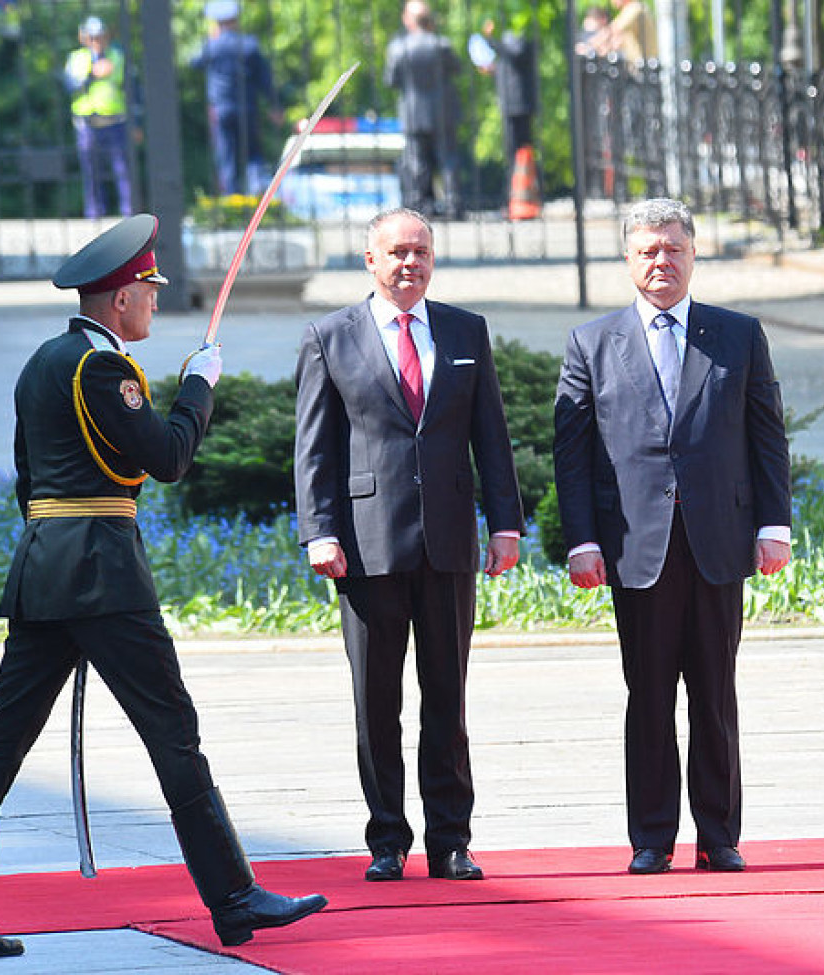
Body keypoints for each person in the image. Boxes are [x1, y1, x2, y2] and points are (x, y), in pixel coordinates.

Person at [0, 214, 326, 962]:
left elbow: (27, 480)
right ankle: (234, 897)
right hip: (105, 573)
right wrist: (199, 387)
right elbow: (168, 457)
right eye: (147, 289)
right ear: (118, 299)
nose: (153, 303)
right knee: (174, 733)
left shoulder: (41, 363)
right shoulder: (105, 370)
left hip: (44, 570)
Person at [552, 198, 792, 876]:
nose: (662, 261)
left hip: (718, 540)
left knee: (715, 692)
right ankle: (651, 837)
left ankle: (719, 835)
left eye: (673, 249)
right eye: (648, 251)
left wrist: (774, 524)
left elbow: (766, 437)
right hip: (636, 549)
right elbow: (572, 455)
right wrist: (582, 540)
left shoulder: (737, 336)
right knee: (649, 694)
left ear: (693, 254)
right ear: (628, 260)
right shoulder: (591, 344)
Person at [294, 208, 524, 884]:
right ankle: (387, 840)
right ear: (369, 258)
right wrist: (320, 530)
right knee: (376, 701)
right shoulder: (329, 336)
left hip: (449, 543)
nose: (409, 263)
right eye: (396, 252)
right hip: (366, 547)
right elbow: (313, 448)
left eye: (421, 251)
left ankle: (451, 839)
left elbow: (493, 437)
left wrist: (504, 522)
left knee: (447, 698)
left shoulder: (464, 331)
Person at [385, 1, 464, 219]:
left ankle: (419, 206)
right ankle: (453, 205)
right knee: (448, 160)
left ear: (408, 20)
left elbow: (391, 80)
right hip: (442, 112)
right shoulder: (441, 44)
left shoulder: (399, 47)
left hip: (413, 113)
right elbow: (457, 68)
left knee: (416, 162)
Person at [190, 1, 278, 196]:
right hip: (248, 108)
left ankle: (232, 198)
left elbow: (193, 62)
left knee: (227, 155)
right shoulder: (250, 44)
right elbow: (265, 79)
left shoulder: (212, 46)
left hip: (221, 109)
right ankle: (256, 189)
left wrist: (211, 40)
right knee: (253, 152)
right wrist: (274, 106)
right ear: (236, 20)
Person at [64, 16, 134, 220]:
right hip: (87, 124)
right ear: (83, 37)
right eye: (92, 37)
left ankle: (129, 212)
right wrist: (93, 74)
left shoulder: (118, 56)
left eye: (100, 36)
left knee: (123, 170)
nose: (97, 41)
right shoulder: (76, 59)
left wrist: (136, 123)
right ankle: (95, 213)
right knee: (91, 171)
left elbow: (131, 90)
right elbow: (70, 86)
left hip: (115, 122)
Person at [478, 19, 538, 193]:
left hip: (519, 104)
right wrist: (493, 69)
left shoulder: (517, 32)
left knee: (522, 149)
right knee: (512, 151)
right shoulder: (506, 38)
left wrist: (490, 40)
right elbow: (510, 64)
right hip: (510, 104)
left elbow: (515, 54)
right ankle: (516, 193)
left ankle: (524, 193)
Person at [588, 0, 658, 65]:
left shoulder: (634, 8)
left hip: (645, 66)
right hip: (640, 64)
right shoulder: (629, 9)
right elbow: (617, 40)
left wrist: (589, 46)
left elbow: (612, 30)